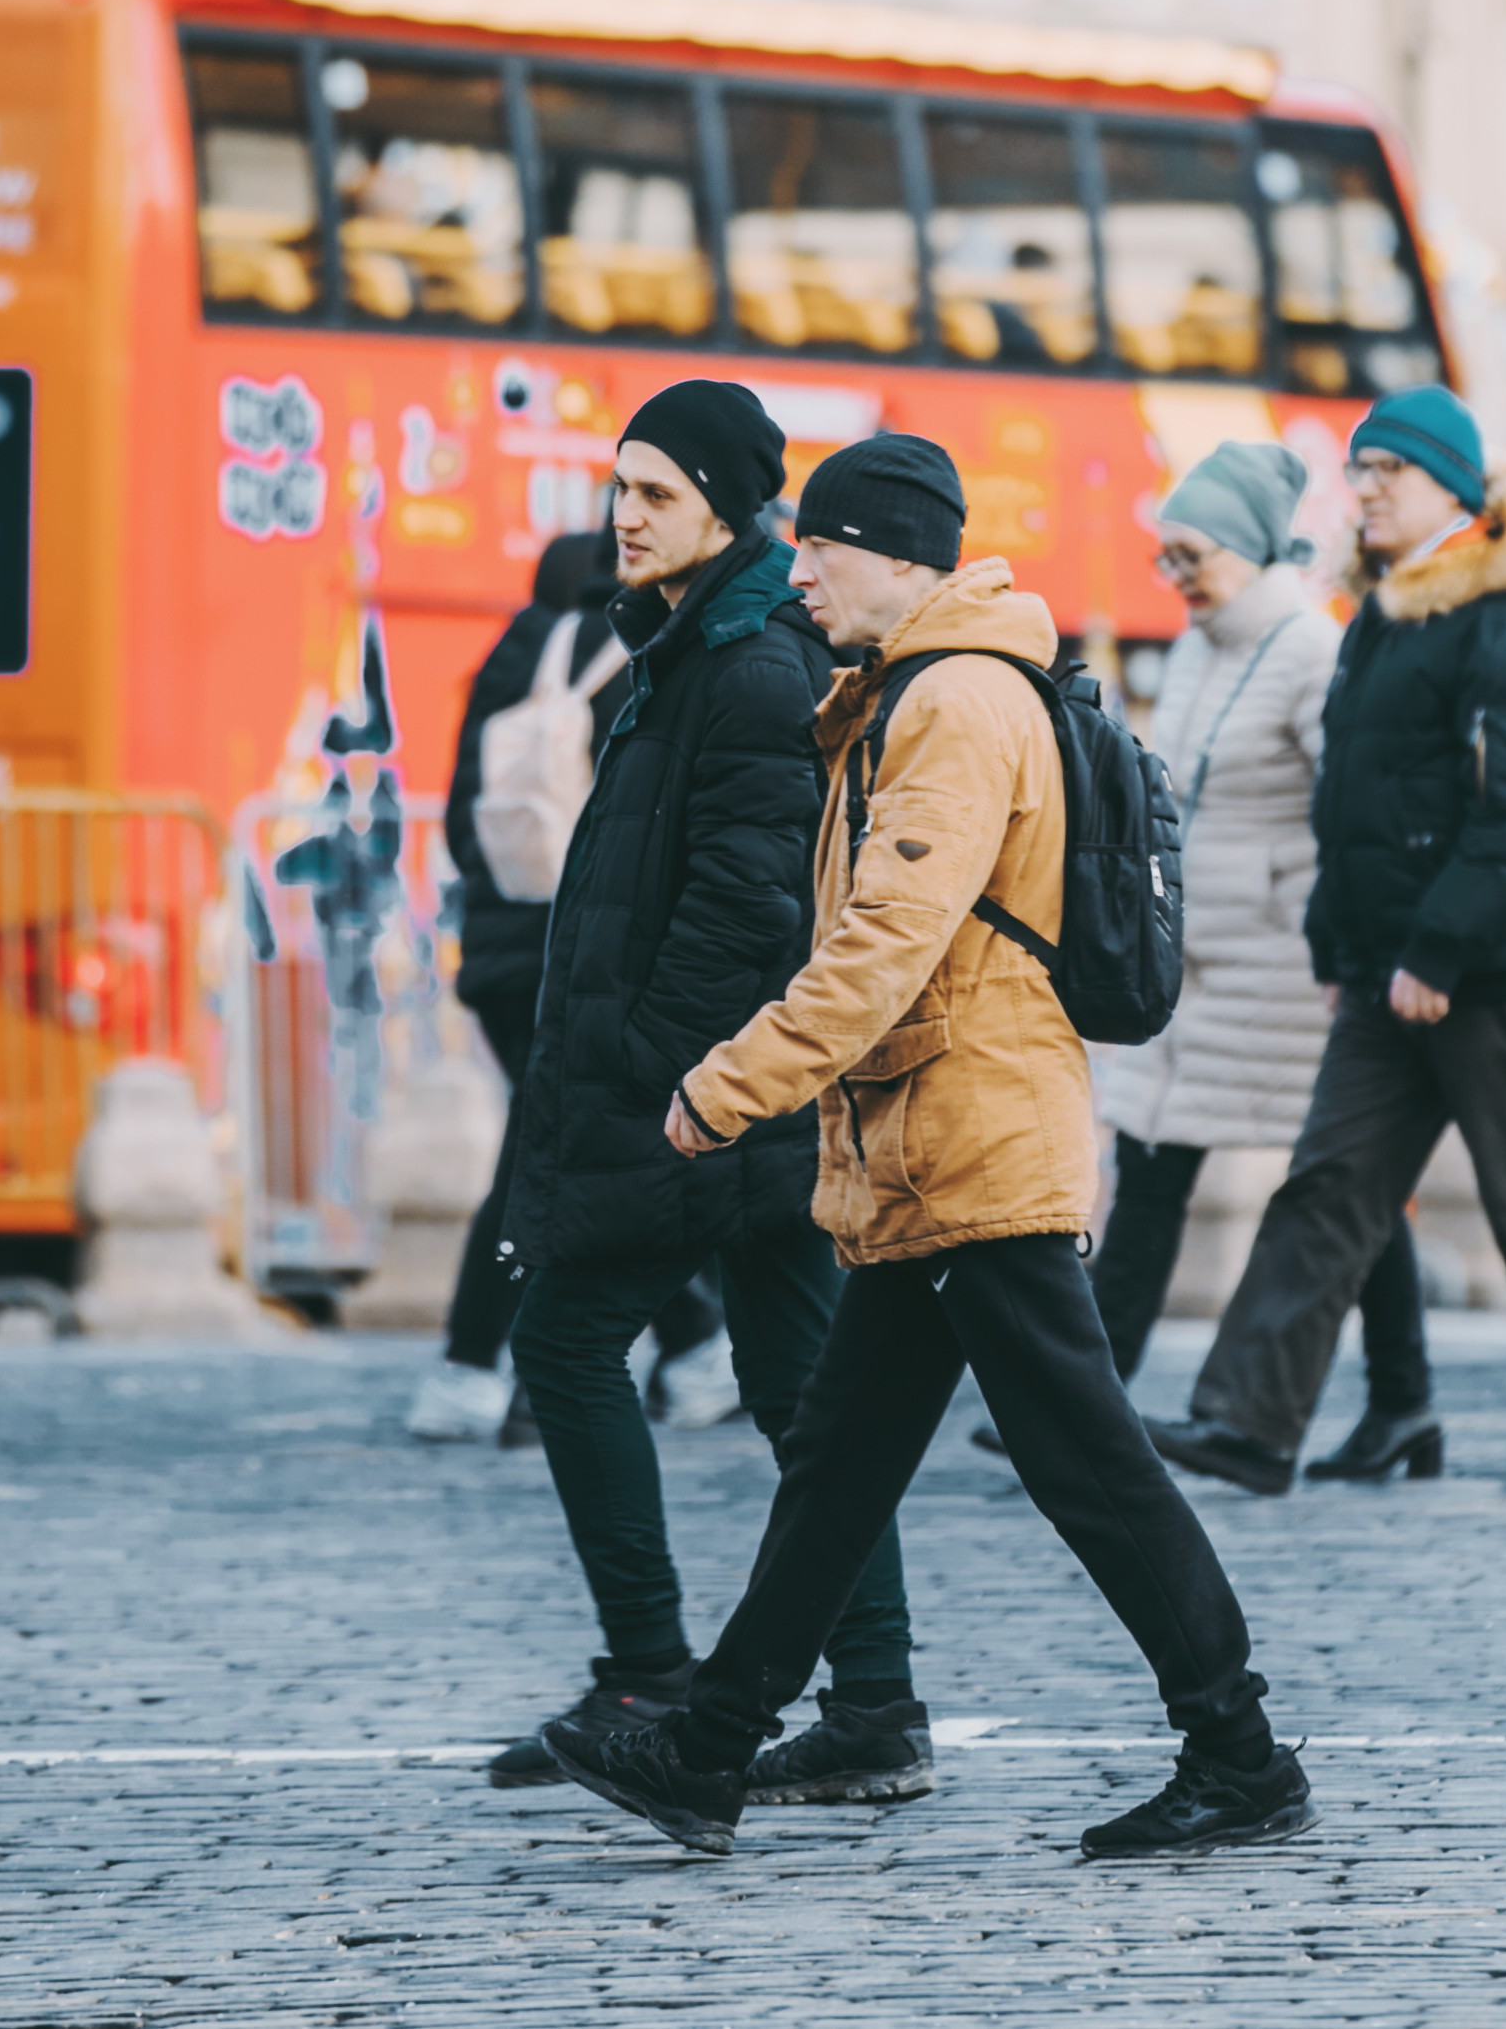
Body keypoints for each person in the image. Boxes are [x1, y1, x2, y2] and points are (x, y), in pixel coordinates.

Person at [535, 431, 1311, 1860]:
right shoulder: (911, 690)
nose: (802, 565)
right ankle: (707, 1750)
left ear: (892, 552)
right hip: (931, 1140)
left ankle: (1238, 1748)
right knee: (835, 1460)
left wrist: (732, 1082)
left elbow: (883, 943)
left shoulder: (953, 700)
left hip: (972, 1143)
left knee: (1091, 1468)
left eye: (822, 544)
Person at [474, 383, 917, 1801]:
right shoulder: (690, 641)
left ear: (727, 504)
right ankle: (873, 1705)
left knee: (562, 1341)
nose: (624, 513)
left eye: (655, 492)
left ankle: (650, 1669)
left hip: (702, 1097)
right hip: (715, 1091)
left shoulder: (743, 662)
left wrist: (641, 1062)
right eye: (619, 486)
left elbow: (743, 906)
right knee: (808, 1399)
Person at [1151, 386, 1506, 1497]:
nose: (1361, 489)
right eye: (1357, 470)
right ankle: (1250, 1422)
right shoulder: (1383, 607)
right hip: (1385, 968)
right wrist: (1343, 949)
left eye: (1386, 473)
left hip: (1485, 968)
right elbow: (1353, 803)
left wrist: (1439, 956)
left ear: (1451, 490)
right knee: (1326, 1187)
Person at [1076, 444, 1435, 1479]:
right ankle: (1090, 1402)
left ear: (1244, 546)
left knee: (1336, 1180)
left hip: (1284, 965)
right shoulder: (1199, 646)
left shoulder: (1307, 650)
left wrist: (1327, 925)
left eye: (1192, 554)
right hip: (1195, 957)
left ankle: (1404, 1399)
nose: (1177, 576)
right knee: (1152, 1160)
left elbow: (1352, 805)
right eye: (1168, 556)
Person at [411, 530, 717, 1444]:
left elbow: (467, 818)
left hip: (501, 948)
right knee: (550, 1161)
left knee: (575, 1145)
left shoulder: (514, 653)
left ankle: (693, 1346)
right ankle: (478, 1368)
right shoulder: (638, 651)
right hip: (583, 953)